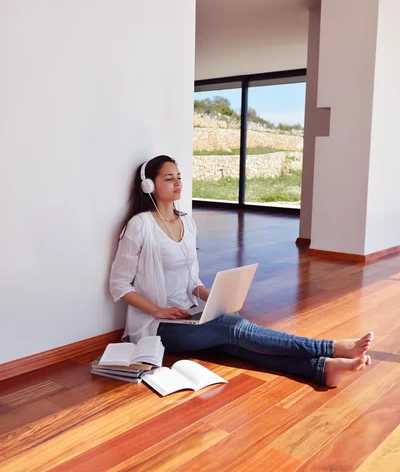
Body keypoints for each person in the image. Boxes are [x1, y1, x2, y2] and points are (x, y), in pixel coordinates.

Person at [110, 155, 373, 388]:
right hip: (157, 326)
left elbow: (191, 280)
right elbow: (119, 285)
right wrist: (158, 310)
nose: (178, 183)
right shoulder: (139, 225)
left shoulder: (187, 222)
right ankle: (330, 347)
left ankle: (323, 369)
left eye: (179, 177)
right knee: (234, 328)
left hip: (187, 313)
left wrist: (214, 298)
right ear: (149, 185)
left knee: (238, 343)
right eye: (169, 179)